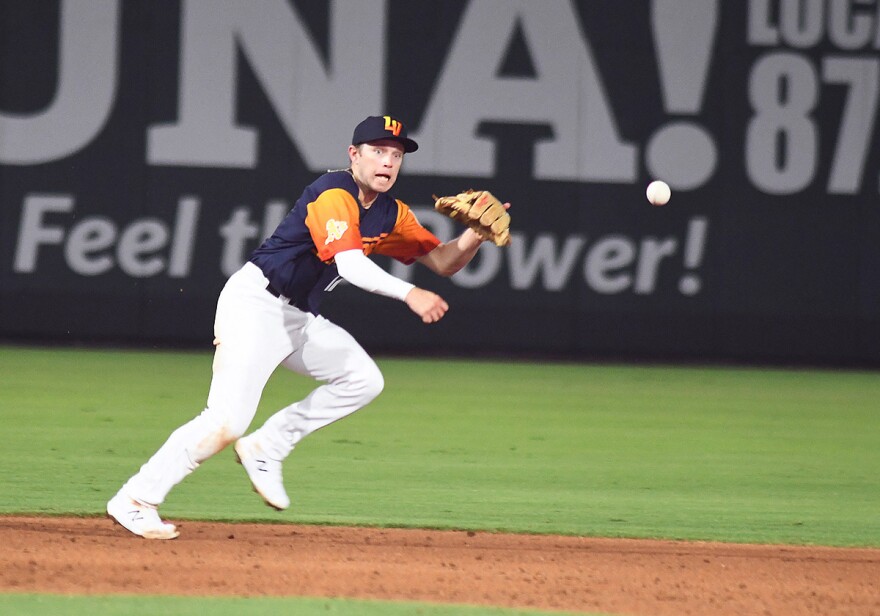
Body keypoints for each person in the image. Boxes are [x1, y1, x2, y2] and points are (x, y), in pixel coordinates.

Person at [107, 115, 503, 539]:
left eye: (396, 154)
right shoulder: (333, 193)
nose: (388, 161)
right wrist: (409, 294)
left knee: (362, 379)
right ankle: (135, 499)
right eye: (377, 151)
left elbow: (442, 261)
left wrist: (475, 235)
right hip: (255, 305)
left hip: (297, 317)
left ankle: (270, 444)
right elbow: (350, 264)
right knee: (226, 421)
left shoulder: (390, 212)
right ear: (354, 155)